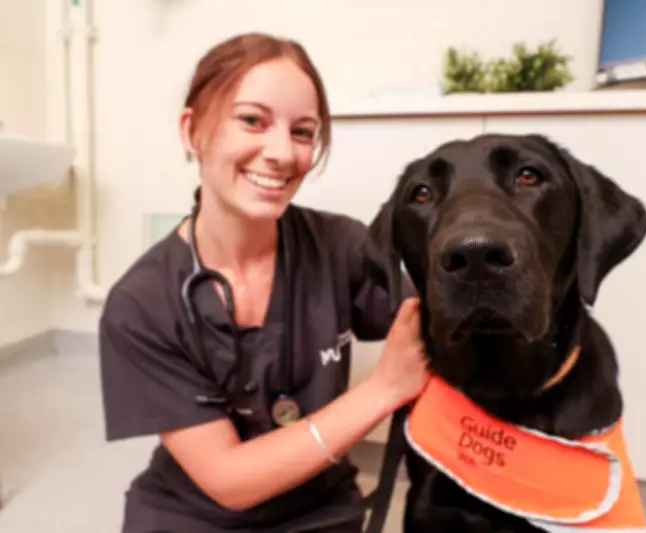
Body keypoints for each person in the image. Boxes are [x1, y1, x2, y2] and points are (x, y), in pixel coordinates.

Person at [97, 32, 429, 533]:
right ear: (192, 131)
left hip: (319, 507)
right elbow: (228, 480)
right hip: (194, 516)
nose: (281, 152)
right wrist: (383, 390)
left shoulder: (340, 246)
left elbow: (436, 328)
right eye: (252, 120)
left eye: (302, 132)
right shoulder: (141, 305)